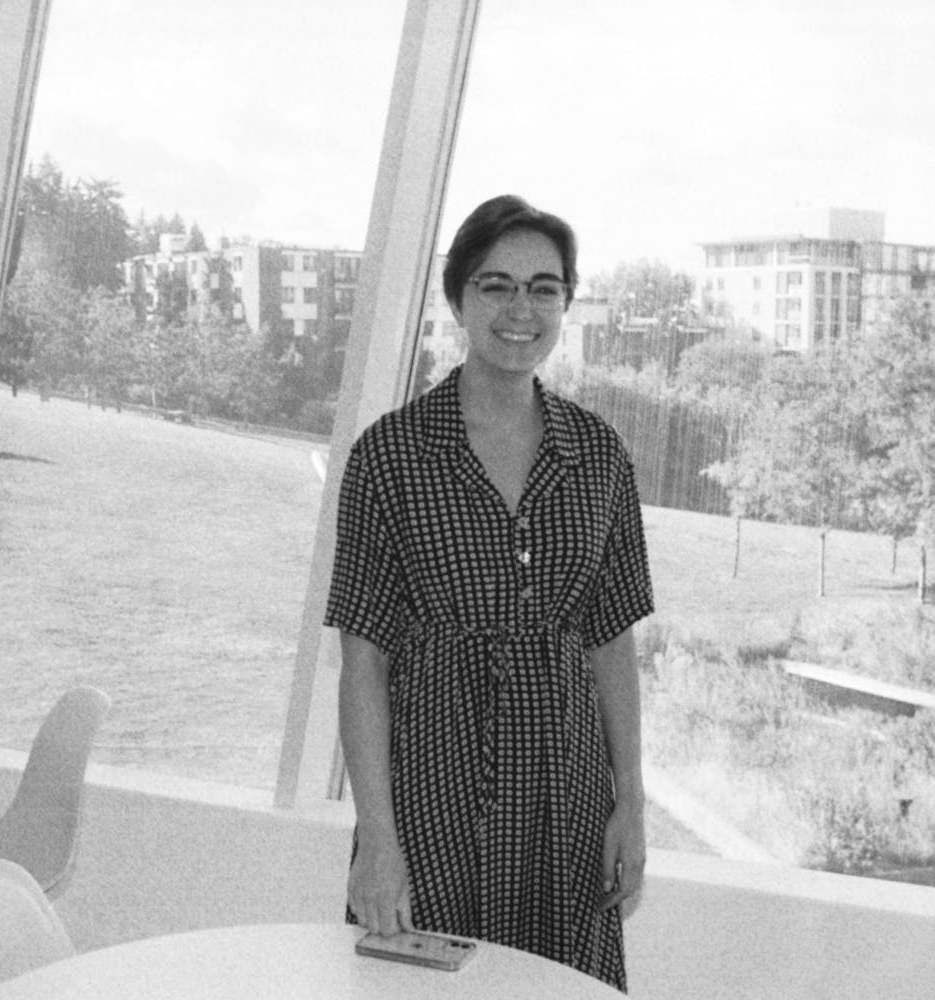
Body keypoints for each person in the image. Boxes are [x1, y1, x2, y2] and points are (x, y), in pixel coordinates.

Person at [324, 194, 654, 992]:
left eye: (544, 288)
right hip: (430, 794)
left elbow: (611, 642)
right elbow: (362, 662)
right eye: (496, 285)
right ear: (458, 297)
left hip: (564, 800)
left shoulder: (596, 454)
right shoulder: (391, 456)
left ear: (566, 304)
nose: (520, 308)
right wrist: (377, 837)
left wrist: (629, 803)